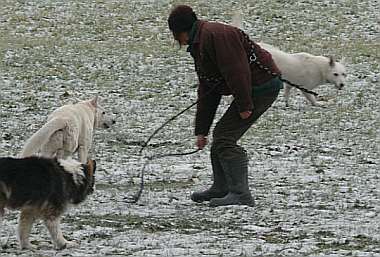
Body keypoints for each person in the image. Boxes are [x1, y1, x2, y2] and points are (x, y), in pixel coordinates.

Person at [168, 5, 283, 207]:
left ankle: (241, 194)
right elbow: (208, 89)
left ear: (179, 32)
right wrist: (201, 131)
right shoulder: (200, 41)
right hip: (250, 87)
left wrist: (245, 105)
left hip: (261, 85)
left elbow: (237, 71)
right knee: (221, 135)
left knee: (225, 138)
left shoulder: (215, 36)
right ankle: (221, 188)